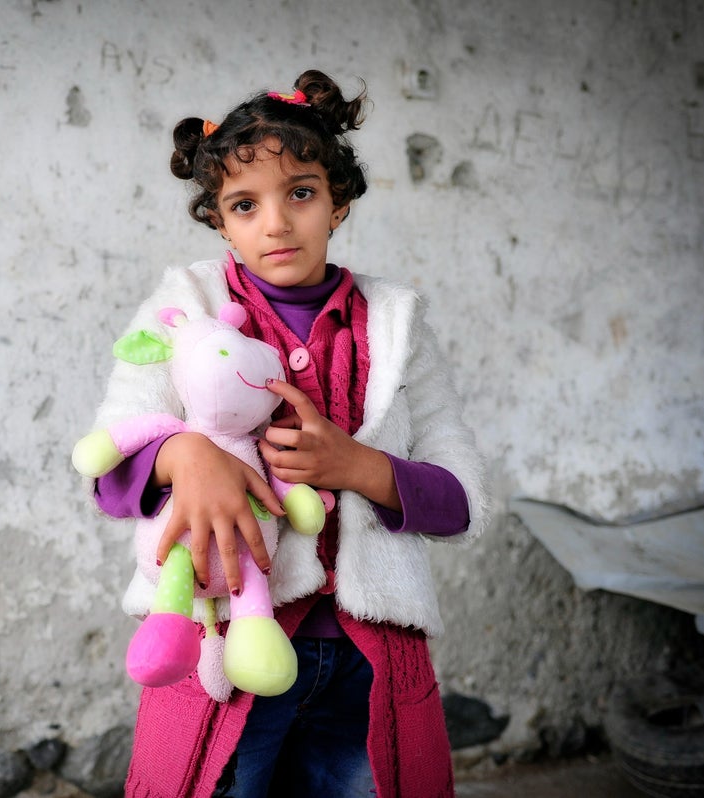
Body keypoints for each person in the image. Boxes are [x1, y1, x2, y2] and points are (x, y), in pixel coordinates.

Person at [84, 69, 489, 798]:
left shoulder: (397, 323)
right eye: (246, 204)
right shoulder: (183, 308)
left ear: (339, 202)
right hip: (227, 650)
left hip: (369, 662)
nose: (276, 223)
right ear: (220, 221)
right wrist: (187, 453)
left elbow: (462, 499)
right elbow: (110, 459)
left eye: (300, 192)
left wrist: (358, 464)